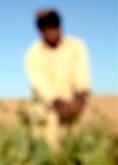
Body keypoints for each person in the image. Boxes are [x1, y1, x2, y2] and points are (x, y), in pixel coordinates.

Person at [25, 9, 91, 150]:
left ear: (60, 26)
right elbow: (39, 83)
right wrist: (57, 102)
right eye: (45, 28)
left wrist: (80, 99)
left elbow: (82, 75)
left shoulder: (77, 46)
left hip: (75, 109)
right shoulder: (33, 53)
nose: (50, 32)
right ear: (40, 31)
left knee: (77, 150)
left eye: (53, 26)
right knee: (48, 152)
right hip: (46, 113)